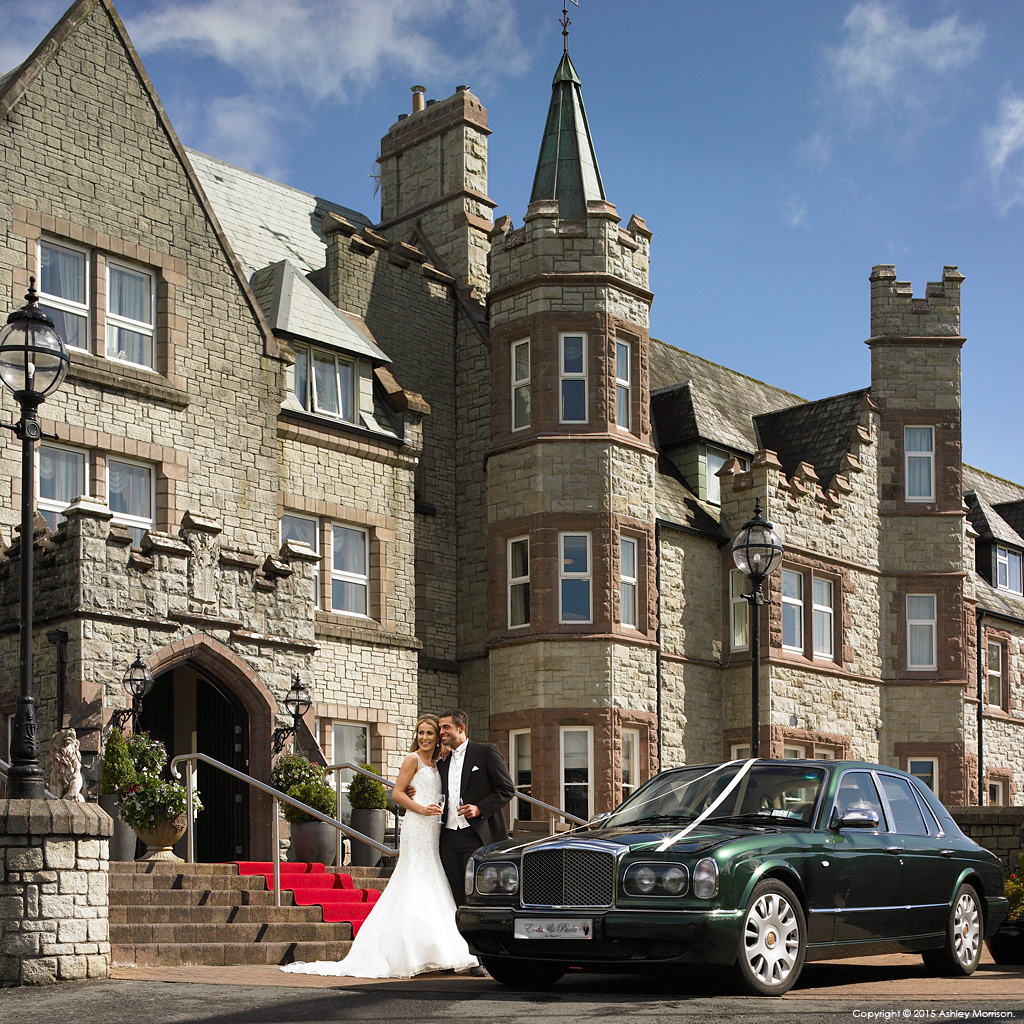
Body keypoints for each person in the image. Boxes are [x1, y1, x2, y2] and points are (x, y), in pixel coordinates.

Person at [281, 714, 478, 978]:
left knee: (433, 879)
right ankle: (411, 952)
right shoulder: (413, 759)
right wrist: (420, 808)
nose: (425, 738)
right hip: (418, 825)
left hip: (434, 829)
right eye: (421, 733)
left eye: (430, 733)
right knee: (413, 878)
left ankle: (436, 950)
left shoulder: (439, 762)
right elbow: (397, 793)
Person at [436, 708, 515, 906]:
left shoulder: (486, 752)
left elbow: (506, 789)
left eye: (446, 727)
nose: (441, 732)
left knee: (477, 892)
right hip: (448, 838)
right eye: (439, 728)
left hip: (477, 835)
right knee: (452, 894)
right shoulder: (442, 761)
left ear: (461, 728)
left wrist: (479, 808)